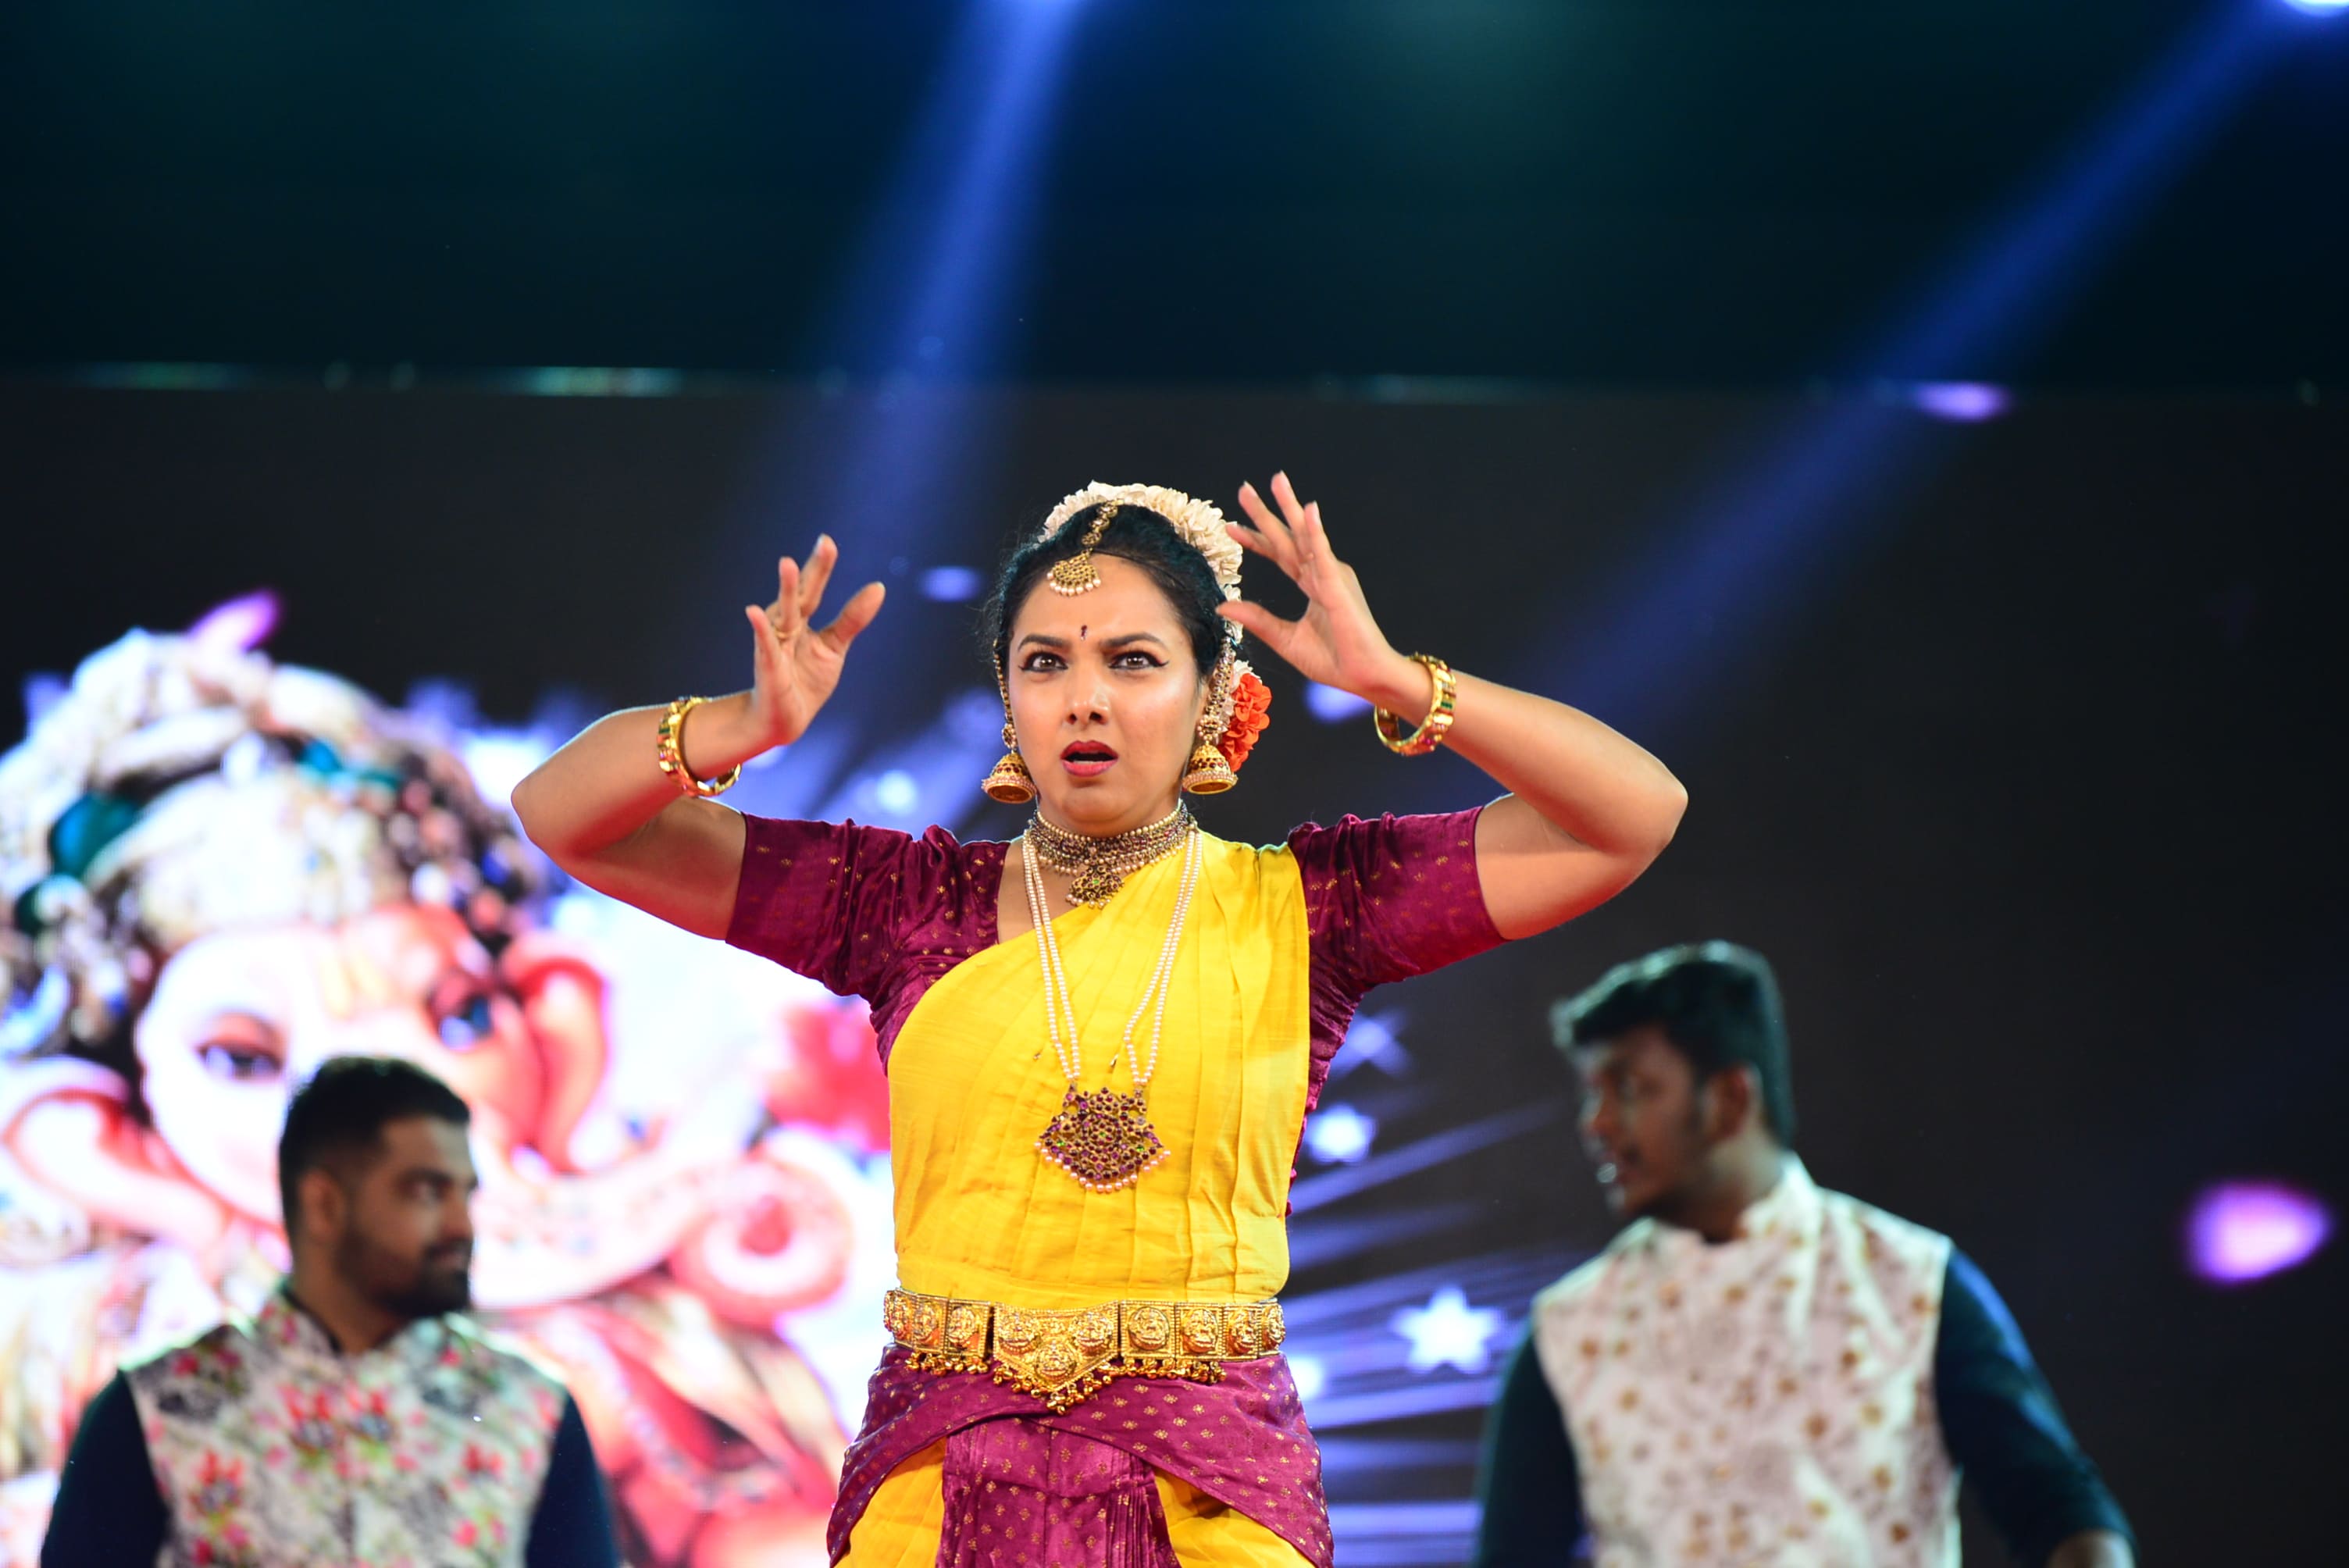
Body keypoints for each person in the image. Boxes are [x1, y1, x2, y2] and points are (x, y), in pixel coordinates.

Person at [511, 473, 1691, 1564]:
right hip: (937, 1479)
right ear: (1009, 702)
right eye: (1044, 664)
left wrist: (1403, 685)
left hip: (1212, 1490)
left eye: (1132, 660)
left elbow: (1631, 815)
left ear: (1212, 690)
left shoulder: (1308, 910)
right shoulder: (901, 907)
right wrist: (738, 730)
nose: (1084, 698)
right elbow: (566, 816)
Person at [0, 614, 874, 1565]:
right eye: (243, 1056)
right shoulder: (139, 1387)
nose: (452, 1223)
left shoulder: (538, 1401)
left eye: (458, 1017)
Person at [1473, 943, 2135, 1568]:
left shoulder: (1911, 1282)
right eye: (1594, 1093)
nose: (1597, 1123)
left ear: (1732, 1100)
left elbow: (2057, 1506)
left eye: (1630, 1088)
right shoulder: (1570, 1333)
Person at [40, 1055, 621, 1566]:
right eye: (426, 1192)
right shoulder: (155, 1413)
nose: (460, 1227)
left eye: (464, 1194)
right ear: (324, 1205)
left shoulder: (530, 1414)